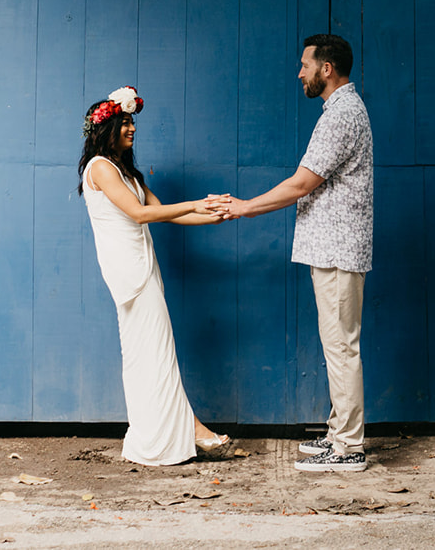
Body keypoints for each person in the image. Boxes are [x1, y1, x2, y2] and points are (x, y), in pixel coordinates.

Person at [213, 34, 373, 473]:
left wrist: (245, 207)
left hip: (338, 251)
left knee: (341, 346)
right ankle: (339, 434)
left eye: (305, 64)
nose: (299, 72)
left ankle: (349, 448)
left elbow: (303, 183)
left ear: (327, 69)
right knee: (337, 344)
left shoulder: (342, 115)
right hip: (331, 249)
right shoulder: (340, 111)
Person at [80, 85, 231, 465]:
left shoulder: (124, 171)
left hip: (145, 271)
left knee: (151, 355)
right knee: (154, 355)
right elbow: (140, 214)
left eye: (132, 122)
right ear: (106, 127)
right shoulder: (100, 168)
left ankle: (159, 437)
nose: (132, 128)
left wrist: (217, 214)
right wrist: (197, 201)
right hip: (130, 276)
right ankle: (193, 430)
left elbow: (165, 211)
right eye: (125, 122)